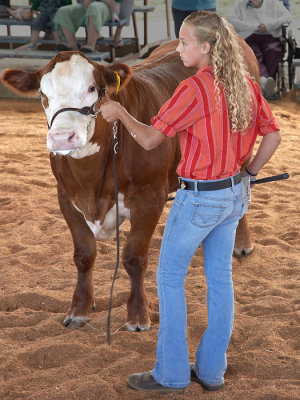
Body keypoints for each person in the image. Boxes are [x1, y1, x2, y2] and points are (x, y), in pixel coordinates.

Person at [100, 10, 282, 393]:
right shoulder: (246, 84)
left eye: (184, 42)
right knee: (220, 281)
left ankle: (171, 374)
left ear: (206, 47)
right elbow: (273, 135)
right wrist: (249, 172)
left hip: (199, 199)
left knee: (169, 279)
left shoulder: (193, 89)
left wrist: (120, 113)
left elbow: (150, 139)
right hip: (234, 195)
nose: (178, 47)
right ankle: (212, 372)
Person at [227, 0, 292, 99]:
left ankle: (267, 84)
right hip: (249, 36)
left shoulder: (273, 3)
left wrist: (268, 25)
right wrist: (254, 26)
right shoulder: (241, 3)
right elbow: (230, 20)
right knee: (253, 54)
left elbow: (288, 17)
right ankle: (264, 83)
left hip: (270, 35)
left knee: (272, 51)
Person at [53, 0, 133, 53]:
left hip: (110, 6)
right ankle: (72, 44)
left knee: (94, 7)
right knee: (63, 11)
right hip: (89, 4)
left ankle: (91, 45)